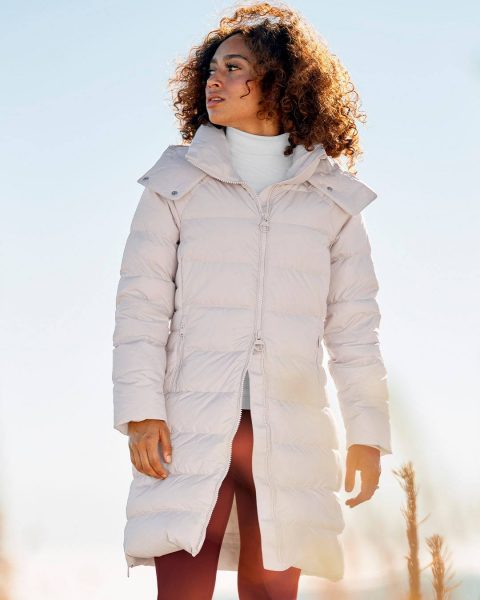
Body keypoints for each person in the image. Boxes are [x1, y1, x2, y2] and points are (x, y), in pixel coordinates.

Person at [112, 2, 393, 599]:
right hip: (186, 425)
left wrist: (367, 434)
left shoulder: (332, 200)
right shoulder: (175, 184)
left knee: (271, 592)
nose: (214, 80)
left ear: (280, 81)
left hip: (291, 431)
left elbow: (354, 331)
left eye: (233, 67)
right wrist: (140, 411)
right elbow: (140, 309)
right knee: (182, 592)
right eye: (211, 69)